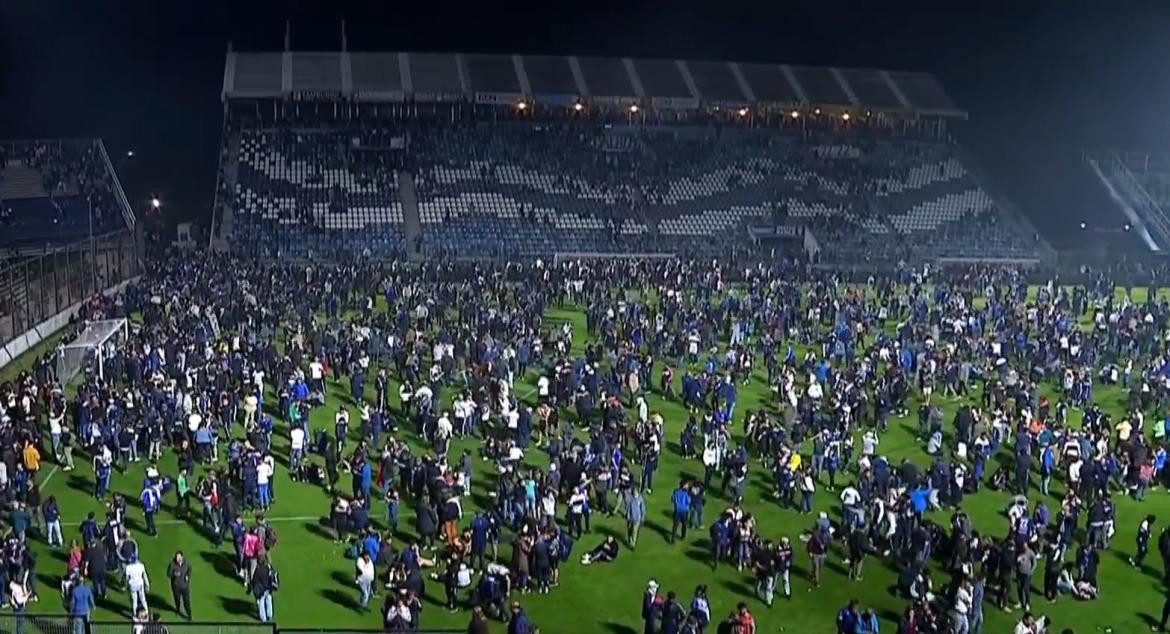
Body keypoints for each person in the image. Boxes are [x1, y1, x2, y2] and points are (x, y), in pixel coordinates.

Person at [250, 554, 277, 623]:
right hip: (268, 588)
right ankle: (270, 615)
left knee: (261, 604)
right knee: (269, 601)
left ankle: (263, 618)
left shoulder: (258, 570)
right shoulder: (268, 567)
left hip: (261, 590)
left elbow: (254, 581)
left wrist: (252, 587)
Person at [166, 551, 192, 620]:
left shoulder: (186, 563)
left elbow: (189, 569)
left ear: (182, 557)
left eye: (179, 557)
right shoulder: (172, 565)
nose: (178, 559)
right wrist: (174, 574)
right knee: (177, 600)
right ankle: (177, 610)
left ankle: (189, 615)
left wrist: (187, 576)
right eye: (177, 557)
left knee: (186, 601)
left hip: (184, 587)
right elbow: (168, 574)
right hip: (176, 586)